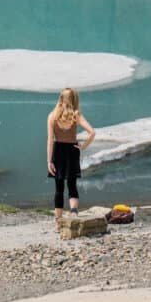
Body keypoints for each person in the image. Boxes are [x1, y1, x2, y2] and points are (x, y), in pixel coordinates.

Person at [47, 87, 95, 220]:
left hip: (58, 151)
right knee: (72, 184)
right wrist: (83, 146)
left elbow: (50, 140)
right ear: (74, 100)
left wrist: (49, 161)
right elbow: (92, 132)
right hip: (72, 150)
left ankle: (58, 219)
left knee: (59, 187)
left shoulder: (52, 116)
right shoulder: (76, 114)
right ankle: (73, 211)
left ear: (61, 99)